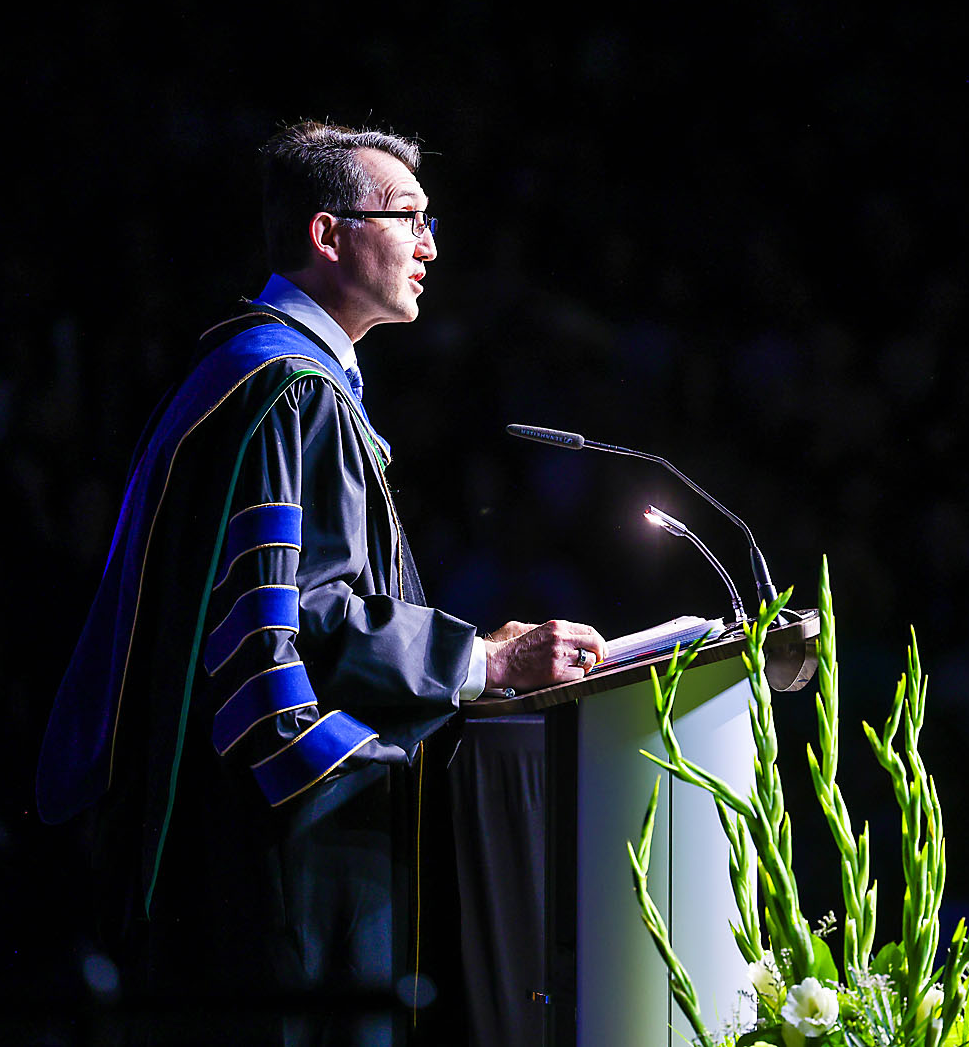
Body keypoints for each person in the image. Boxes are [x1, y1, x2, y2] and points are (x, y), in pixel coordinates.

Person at [36, 121, 607, 1045]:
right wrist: (482, 665)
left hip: (227, 842)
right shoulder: (287, 388)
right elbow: (300, 620)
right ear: (327, 233)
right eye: (407, 218)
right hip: (292, 851)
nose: (430, 245)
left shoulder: (237, 372)